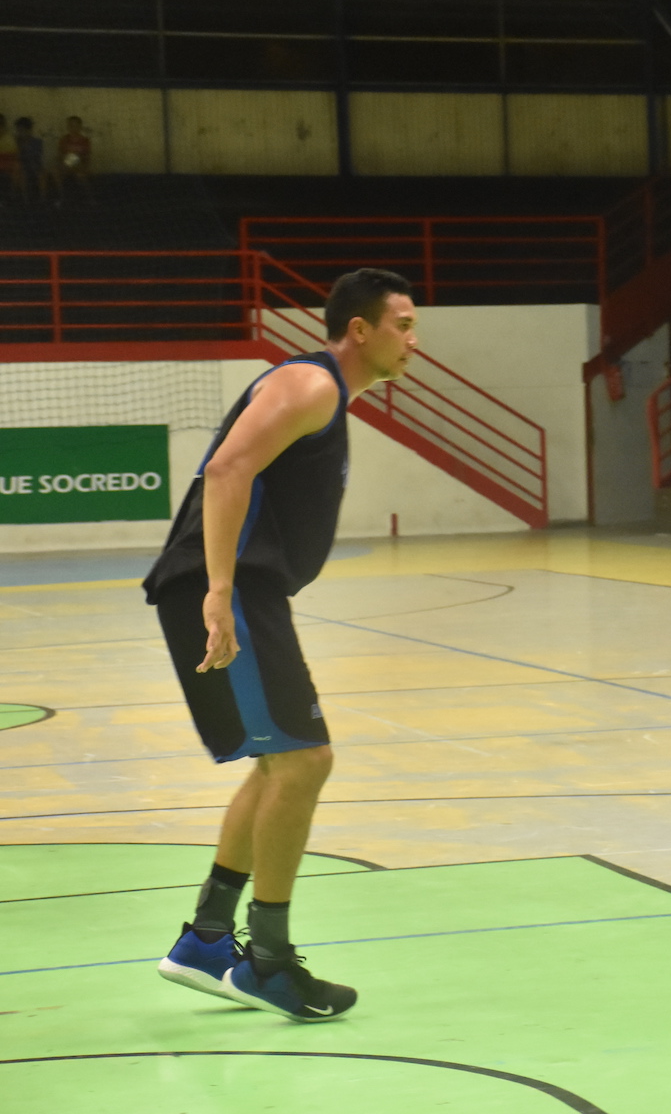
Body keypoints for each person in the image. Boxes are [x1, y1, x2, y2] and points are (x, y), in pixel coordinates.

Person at [146, 267, 418, 1023]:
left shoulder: (326, 397)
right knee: (305, 760)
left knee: (280, 764)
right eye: (402, 323)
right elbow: (228, 467)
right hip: (228, 589)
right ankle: (267, 961)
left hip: (242, 588)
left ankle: (206, 940)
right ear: (358, 330)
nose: (413, 340)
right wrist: (221, 591)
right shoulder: (311, 385)